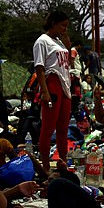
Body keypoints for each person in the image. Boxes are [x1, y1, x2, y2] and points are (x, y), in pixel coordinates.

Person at [33, 11, 73, 173]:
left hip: (65, 85)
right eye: (63, 25)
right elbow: (40, 68)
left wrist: (65, 39)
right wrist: (45, 91)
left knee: (63, 128)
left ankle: (62, 162)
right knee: (48, 128)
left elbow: (69, 58)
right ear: (53, 23)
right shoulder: (42, 41)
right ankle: (45, 166)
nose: (65, 29)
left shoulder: (59, 42)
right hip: (52, 82)